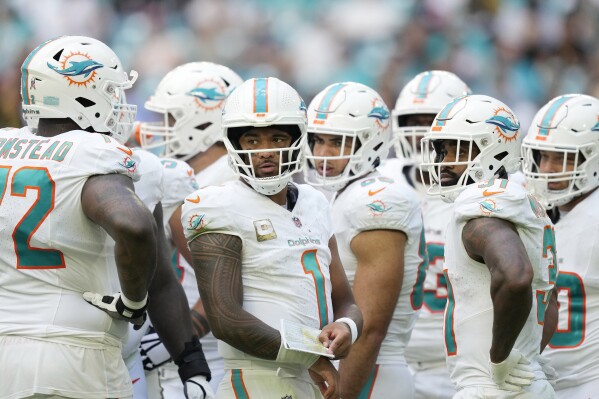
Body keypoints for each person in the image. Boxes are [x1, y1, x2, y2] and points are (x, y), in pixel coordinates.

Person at [181, 77, 363, 399]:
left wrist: (348, 327)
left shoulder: (314, 202)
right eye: (252, 141)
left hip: (310, 379)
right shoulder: (216, 203)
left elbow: (345, 300)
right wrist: (307, 355)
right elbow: (225, 318)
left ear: (297, 139)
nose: (265, 152)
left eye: (277, 138)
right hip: (256, 379)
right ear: (235, 144)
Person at [0, 35, 155, 398]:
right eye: (112, 91)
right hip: (75, 354)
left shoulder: (5, 145)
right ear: (85, 95)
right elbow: (133, 225)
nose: (118, 102)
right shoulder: (93, 151)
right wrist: (134, 300)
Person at [420, 94, 558, 398]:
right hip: (519, 386)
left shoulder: (481, 209)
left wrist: (501, 355)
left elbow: (516, 276)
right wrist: (528, 359)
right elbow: (548, 301)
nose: (444, 162)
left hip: (490, 389)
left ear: (493, 152)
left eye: (458, 148)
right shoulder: (526, 204)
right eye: (442, 150)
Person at [304, 81, 426, 398]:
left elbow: (369, 329)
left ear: (369, 143)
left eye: (337, 142)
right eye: (317, 141)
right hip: (352, 367)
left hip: (372, 375)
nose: (322, 154)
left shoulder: (376, 200)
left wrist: (342, 394)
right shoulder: (341, 196)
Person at [138, 62, 244, 395]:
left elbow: (227, 283)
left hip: (202, 354)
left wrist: (182, 335)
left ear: (204, 120)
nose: (162, 127)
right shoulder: (230, 174)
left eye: (171, 118)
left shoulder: (201, 186)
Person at [378, 70, 471, 399]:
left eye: (432, 121)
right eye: (411, 121)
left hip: (456, 369)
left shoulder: (482, 193)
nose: (421, 133)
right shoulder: (379, 182)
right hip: (388, 359)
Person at [522, 93, 599, 398]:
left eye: (562, 158)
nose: (549, 168)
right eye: (543, 156)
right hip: (534, 383)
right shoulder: (525, 207)